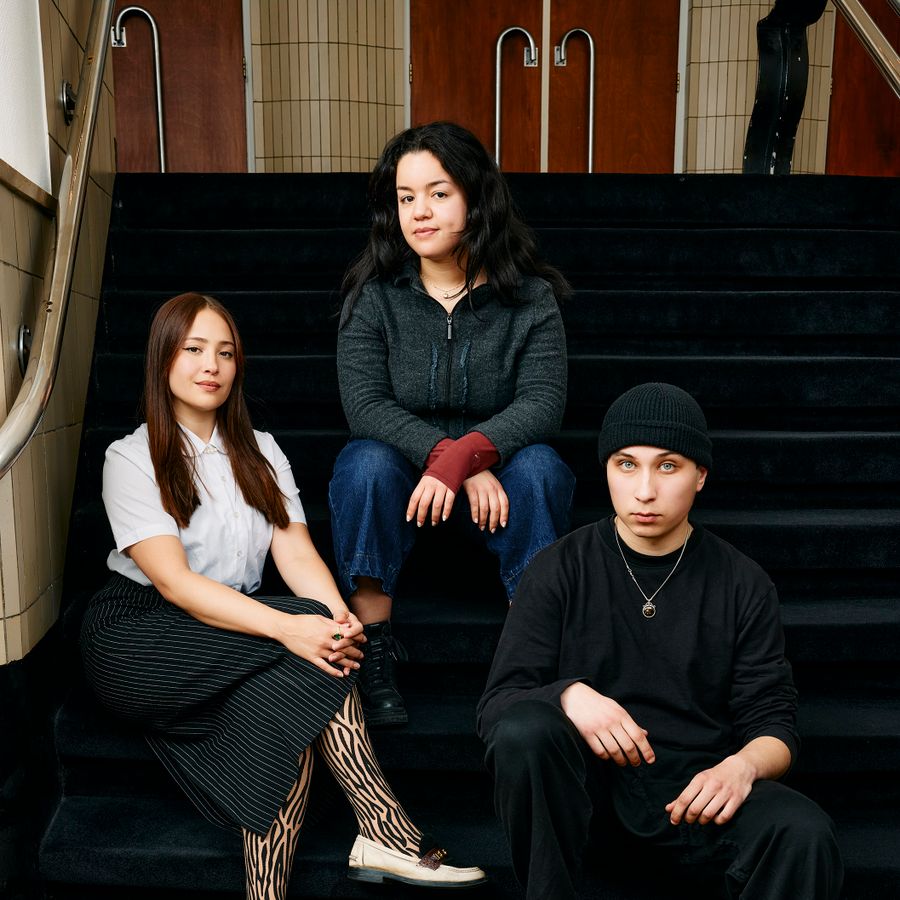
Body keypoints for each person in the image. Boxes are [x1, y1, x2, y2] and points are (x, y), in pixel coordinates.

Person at [80, 292, 487, 898]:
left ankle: (272, 890)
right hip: (139, 635)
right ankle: (387, 832)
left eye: (225, 353)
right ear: (163, 359)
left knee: (292, 700)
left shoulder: (261, 450)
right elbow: (175, 584)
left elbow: (294, 553)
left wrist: (340, 619)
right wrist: (294, 625)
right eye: (194, 350)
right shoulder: (131, 456)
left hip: (225, 629)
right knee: (302, 632)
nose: (211, 366)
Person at [477, 383, 843, 899]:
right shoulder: (558, 568)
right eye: (626, 465)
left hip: (698, 801)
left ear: (700, 476)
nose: (644, 490)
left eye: (668, 466)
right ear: (607, 470)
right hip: (588, 805)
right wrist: (567, 695)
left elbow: (774, 723)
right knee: (526, 729)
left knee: (804, 832)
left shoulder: (742, 581)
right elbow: (496, 708)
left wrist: (741, 768)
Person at [330, 121, 576, 726]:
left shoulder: (530, 299)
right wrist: (448, 458)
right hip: (406, 483)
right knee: (363, 462)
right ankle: (373, 647)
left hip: (500, 483)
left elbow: (543, 404)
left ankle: (529, 655)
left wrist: (471, 456)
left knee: (542, 467)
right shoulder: (374, 297)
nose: (419, 212)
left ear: (476, 197)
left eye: (438, 193)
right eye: (405, 197)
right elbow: (366, 407)